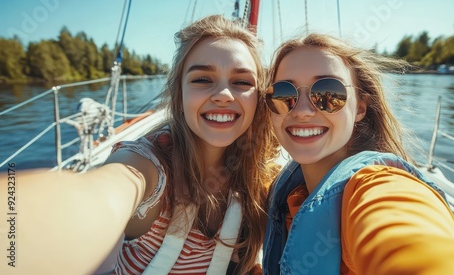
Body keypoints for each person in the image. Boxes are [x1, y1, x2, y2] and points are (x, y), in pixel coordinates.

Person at [0, 15, 279, 275]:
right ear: (178, 93)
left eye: (242, 82)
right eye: (202, 79)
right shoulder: (147, 167)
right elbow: (98, 197)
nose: (223, 95)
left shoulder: (261, 175)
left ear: (259, 97)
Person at [262, 33, 454, 274]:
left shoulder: (378, 186)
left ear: (360, 107)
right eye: (284, 94)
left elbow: (409, 238)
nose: (302, 110)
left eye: (328, 93)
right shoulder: (290, 193)